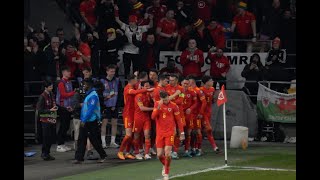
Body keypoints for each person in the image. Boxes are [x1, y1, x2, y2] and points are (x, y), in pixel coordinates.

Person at [117, 74, 154, 160]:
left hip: (134, 114)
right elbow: (135, 92)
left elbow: (141, 85)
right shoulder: (128, 88)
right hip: (128, 114)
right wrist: (146, 89)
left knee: (133, 134)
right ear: (132, 80)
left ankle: (127, 152)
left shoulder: (134, 86)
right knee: (128, 134)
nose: (137, 81)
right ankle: (120, 151)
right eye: (136, 79)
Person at [151, 91, 185, 180]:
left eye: (166, 99)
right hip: (160, 133)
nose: (165, 101)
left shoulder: (174, 106)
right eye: (164, 100)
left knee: (168, 153)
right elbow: (153, 117)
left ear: (168, 97)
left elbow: (178, 120)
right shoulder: (157, 104)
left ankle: (166, 173)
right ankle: (165, 165)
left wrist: (181, 133)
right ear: (161, 99)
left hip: (170, 132)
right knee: (159, 155)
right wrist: (158, 107)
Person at [74, 78, 108, 164]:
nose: (83, 86)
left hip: (91, 121)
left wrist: (84, 120)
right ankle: (79, 158)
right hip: (86, 120)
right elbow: (85, 109)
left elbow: (90, 110)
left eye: (85, 84)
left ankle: (103, 155)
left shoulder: (93, 95)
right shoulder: (88, 95)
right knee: (82, 139)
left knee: (94, 140)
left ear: (89, 85)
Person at [114, 4, 153, 76]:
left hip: (136, 52)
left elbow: (150, 26)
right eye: (130, 21)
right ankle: (126, 84)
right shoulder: (126, 27)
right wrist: (116, 11)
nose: (131, 23)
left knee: (136, 69)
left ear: (136, 22)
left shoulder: (141, 28)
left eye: (132, 21)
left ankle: (136, 84)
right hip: (127, 51)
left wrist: (151, 19)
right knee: (127, 69)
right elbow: (117, 20)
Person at [100, 64, 122, 148]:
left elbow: (119, 94)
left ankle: (113, 142)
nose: (113, 73)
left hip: (114, 106)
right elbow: (99, 94)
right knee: (104, 123)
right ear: (107, 71)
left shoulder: (117, 80)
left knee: (114, 123)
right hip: (105, 106)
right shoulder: (102, 81)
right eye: (111, 71)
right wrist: (104, 101)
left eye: (114, 71)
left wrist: (117, 105)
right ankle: (103, 142)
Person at [132, 81, 155, 160]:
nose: (148, 88)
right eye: (146, 86)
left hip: (146, 118)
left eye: (148, 86)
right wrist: (154, 109)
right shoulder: (138, 96)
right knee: (137, 135)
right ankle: (137, 152)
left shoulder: (149, 95)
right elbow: (142, 108)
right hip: (138, 118)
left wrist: (153, 98)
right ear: (141, 87)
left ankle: (146, 153)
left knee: (147, 135)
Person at [56, 66, 76, 152]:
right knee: (63, 126)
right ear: (64, 73)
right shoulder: (61, 83)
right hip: (62, 107)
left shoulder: (69, 82)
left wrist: (71, 106)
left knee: (66, 126)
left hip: (68, 107)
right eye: (68, 72)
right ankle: (59, 145)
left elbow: (69, 97)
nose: (69, 73)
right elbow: (63, 95)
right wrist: (74, 92)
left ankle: (63, 144)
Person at [199, 75, 221, 153]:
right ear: (207, 82)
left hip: (209, 113)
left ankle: (213, 147)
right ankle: (198, 148)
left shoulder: (212, 89)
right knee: (208, 129)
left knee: (203, 131)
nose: (213, 82)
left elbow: (213, 100)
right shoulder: (201, 90)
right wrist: (201, 113)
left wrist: (218, 95)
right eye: (211, 81)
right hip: (202, 113)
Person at [36, 80, 57, 161]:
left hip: (52, 119)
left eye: (52, 86)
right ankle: (44, 153)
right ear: (46, 88)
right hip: (45, 120)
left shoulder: (51, 94)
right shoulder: (42, 96)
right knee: (46, 137)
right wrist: (50, 110)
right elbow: (40, 110)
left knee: (51, 137)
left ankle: (47, 153)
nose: (51, 88)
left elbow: (54, 104)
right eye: (50, 87)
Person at [166, 74, 185, 159]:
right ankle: (169, 150)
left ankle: (175, 151)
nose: (171, 82)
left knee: (178, 132)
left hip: (179, 113)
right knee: (171, 132)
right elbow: (164, 100)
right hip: (169, 113)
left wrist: (169, 99)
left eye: (172, 80)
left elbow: (181, 101)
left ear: (177, 80)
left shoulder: (181, 89)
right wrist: (173, 97)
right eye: (170, 80)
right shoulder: (166, 87)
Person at [187, 75, 206, 156]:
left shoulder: (198, 91)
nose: (189, 84)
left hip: (197, 115)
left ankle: (199, 149)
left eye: (190, 82)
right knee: (190, 132)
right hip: (190, 115)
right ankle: (192, 148)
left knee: (198, 131)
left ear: (193, 82)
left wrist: (201, 113)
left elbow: (204, 102)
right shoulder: (187, 90)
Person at [180, 78, 197, 157]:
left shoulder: (192, 92)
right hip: (180, 115)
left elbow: (196, 103)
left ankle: (187, 150)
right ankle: (175, 151)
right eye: (184, 83)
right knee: (178, 132)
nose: (186, 85)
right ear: (181, 83)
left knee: (189, 133)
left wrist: (190, 108)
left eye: (187, 83)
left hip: (189, 115)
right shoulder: (179, 92)